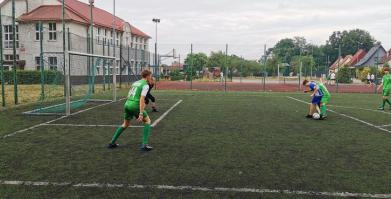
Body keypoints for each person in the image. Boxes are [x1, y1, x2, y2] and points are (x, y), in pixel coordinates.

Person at [107, 70, 154, 151]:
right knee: (147, 121)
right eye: (151, 76)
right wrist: (141, 113)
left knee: (125, 124)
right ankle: (144, 145)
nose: (151, 77)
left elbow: (129, 94)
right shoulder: (145, 85)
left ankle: (112, 143)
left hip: (127, 104)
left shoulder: (135, 82)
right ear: (147, 76)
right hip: (135, 105)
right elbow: (142, 99)